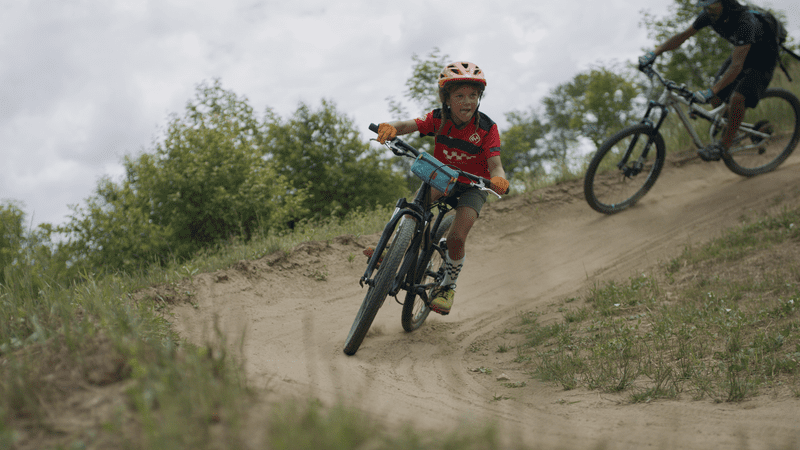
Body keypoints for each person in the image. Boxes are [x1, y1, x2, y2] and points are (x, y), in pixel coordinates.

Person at [373, 61, 509, 315]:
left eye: (473, 95)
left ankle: (448, 286)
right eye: (459, 96)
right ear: (446, 98)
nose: (467, 101)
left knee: (457, 238)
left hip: (473, 186)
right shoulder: (438, 118)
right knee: (415, 208)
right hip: (443, 177)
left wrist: (499, 179)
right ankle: (393, 250)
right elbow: (406, 126)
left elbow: (495, 165)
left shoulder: (487, 128)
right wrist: (389, 127)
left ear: (479, 98)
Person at [638, 0, 781, 161]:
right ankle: (735, 131)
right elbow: (683, 36)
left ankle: (723, 146)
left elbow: (736, 66)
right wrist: (655, 53)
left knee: (737, 98)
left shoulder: (745, 22)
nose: (707, 9)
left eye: (711, 4)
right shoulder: (709, 15)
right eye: (704, 5)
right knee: (716, 98)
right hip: (743, 54)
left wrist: (711, 90)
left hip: (763, 59)